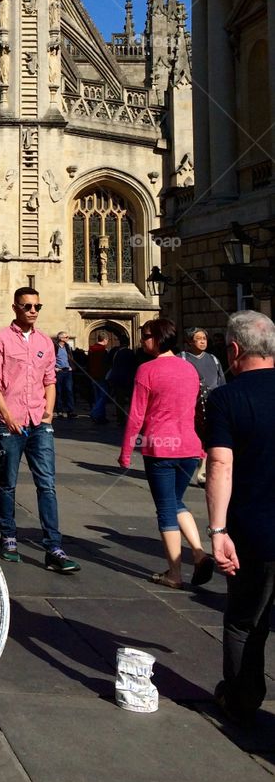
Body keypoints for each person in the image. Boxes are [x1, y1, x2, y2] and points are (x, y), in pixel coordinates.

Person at [205, 311, 275, 725]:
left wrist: (217, 530)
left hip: (255, 530)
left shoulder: (227, 398)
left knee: (245, 620)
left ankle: (242, 698)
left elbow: (219, 466)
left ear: (233, 350)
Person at [0, 287, 81, 572]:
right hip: (11, 422)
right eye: (28, 306)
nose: (33, 311)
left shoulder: (45, 342)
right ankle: (9, 537)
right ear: (15, 307)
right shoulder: (0, 339)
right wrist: (6, 415)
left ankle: (53, 547)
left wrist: (49, 413)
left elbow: (50, 379)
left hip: (39, 423)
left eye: (37, 306)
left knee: (47, 485)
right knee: (8, 482)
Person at [119, 317, 212, 589]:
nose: (142, 340)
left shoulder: (147, 370)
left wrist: (126, 452)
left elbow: (136, 416)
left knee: (165, 509)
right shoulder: (189, 370)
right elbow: (196, 412)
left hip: (160, 447)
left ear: (159, 338)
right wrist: (203, 446)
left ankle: (174, 573)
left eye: (146, 335)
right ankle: (198, 552)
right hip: (190, 448)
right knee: (176, 500)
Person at [181, 326, 224, 485]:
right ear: (189, 342)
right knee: (193, 438)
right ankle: (191, 467)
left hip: (210, 405)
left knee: (208, 439)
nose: (202, 341)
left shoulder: (213, 359)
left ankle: (203, 472)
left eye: (204, 338)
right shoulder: (182, 358)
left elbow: (221, 383)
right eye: (198, 339)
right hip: (190, 406)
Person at [88, 332, 110, 422]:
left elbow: (89, 362)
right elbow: (105, 364)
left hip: (93, 375)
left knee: (98, 396)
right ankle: (95, 412)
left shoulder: (91, 349)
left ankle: (100, 417)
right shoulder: (103, 350)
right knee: (104, 396)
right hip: (101, 375)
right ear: (105, 340)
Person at [54, 331, 75, 418]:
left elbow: (70, 358)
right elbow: (50, 358)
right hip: (59, 372)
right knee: (59, 391)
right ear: (61, 338)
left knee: (69, 390)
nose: (68, 338)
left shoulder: (67, 347)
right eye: (66, 337)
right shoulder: (55, 347)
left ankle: (70, 411)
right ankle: (59, 410)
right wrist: (54, 368)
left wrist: (71, 367)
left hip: (67, 372)